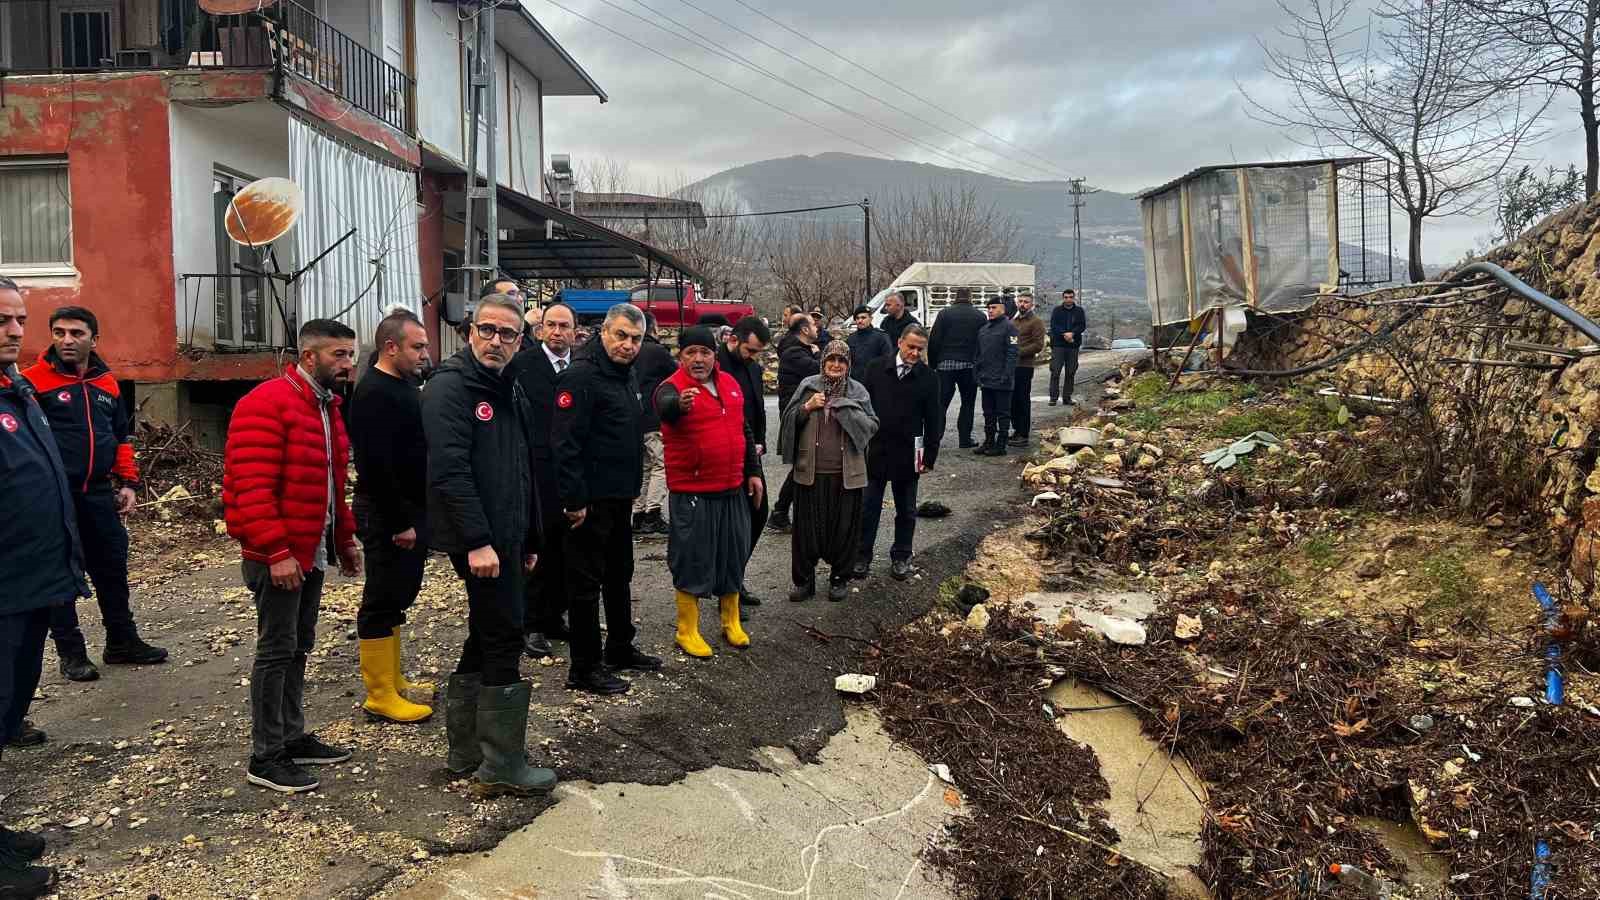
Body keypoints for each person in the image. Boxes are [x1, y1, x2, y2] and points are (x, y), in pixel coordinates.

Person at [423, 294, 556, 797]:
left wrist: (530, 537)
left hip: (508, 535)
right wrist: (477, 541)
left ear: (520, 341)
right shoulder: (450, 388)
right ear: (470, 331)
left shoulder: (507, 386)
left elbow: (522, 466)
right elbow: (450, 472)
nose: (495, 341)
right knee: (503, 634)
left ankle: (466, 752)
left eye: (507, 334)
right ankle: (502, 764)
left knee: (485, 633)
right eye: (487, 330)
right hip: (482, 540)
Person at [223, 318, 362, 794]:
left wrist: (344, 539)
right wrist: (275, 552)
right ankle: (266, 756)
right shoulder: (266, 403)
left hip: (310, 549)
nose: (348, 364)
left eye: (351, 354)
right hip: (278, 555)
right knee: (276, 649)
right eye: (338, 355)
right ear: (308, 356)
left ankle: (291, 735)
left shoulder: (325, 407)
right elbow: (251, 487)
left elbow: (331, 485)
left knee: (299, 644)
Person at [21, 307, 168, 684]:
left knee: (112, 566)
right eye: (59, 333)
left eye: (76, 333)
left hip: (99, 493)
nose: (67, 340)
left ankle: (121, 642)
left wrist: (128, 483)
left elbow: (120, 437)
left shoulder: (108, 384)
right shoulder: (32, 382)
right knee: (60, 573)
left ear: (94, 339)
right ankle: (71, 653)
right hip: (55, 497)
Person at [0, 277, 83, 897]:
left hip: (32, 585)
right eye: (2, 319)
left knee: (8, 711)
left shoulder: (16, 389)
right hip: (4, 588)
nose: (14, 330)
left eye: (18, 319)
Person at [552, 304, 662, 696]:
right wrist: (574, 500)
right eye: (621, 336)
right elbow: (565, 444)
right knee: (585, 584)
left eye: (635, 338)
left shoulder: (626, 373)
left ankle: (619, 647)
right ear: (604, 332)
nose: (628, 345)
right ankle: (584, 668)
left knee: (619, 575)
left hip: (619, 497)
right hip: (589, 502)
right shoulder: (581, 376)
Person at [653, 327, 764, 657]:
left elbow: (743, 430)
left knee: (732, 556)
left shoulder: (729, 383)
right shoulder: (671, 388)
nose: (698, 359)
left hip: (731, 488)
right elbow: (665, 407)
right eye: (691, 353)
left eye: (705, 352)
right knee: (692, 560)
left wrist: (753, 472)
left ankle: (731, 621)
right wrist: (680, 405)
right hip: (693, 493)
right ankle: (687, 630)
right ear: (681, 356)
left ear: (715, 355)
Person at [347, 311, 433, 724]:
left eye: (425, 346)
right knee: (382, 598)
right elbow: (376, 466)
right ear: (391, 347)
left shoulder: (403, 385)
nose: (424, 354)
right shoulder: (374, 393)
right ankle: (379, 694)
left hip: (408, 509)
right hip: (387, 513)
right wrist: (400, 522)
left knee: (399, 594)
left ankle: (393, 680)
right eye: (417, 347)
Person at [779, 341, 879, 602]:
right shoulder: (808, 386)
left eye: (841, 361)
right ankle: (804, 581)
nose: (836, 365)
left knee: (844, 530)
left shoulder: (858, 391)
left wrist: (847, 410)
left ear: (849, 365)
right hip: (810, 471)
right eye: (831, 360)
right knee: (805, 531)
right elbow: (788, 420)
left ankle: (839, 578)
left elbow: (872, 425)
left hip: (846, 475)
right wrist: (807, 407)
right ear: (822, 362)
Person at [510, 301, 576, 660]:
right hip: (536, 470)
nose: (557, 332)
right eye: (551, 325)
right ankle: (531, 623)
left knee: (567, 548)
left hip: (570, 470)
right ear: (540, 329)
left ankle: (554, 616)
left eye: (564, 326)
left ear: (575, 332)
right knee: (538, 546)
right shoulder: (523, 365)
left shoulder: (580, 368)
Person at [854, 324, 942, 581]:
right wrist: (858, 444)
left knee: (906, 509)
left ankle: (902, 555)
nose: (915, 353)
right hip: (876, 450)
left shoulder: (929, 378)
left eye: (920, 349)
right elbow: (861, 408)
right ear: (900, 342)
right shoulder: (876, 368)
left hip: (908, 452)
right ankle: (861, 556)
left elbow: (934, 420)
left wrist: (929, 456)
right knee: (868, 507)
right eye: (911, 347)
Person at [718, 317, 772, 606]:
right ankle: (727, 588)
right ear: (733, 339)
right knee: (731, 525)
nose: (753, 356)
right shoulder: (716, 367)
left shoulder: (752, 367)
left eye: (757, 352)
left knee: (758, 513)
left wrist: (760, 441)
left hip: (751, 455)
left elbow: (756, 408)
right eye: (750, 350)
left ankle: (735, 577)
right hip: (726, 456)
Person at [767, 313, 820, 533]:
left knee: (804, 462)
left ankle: (781, 512)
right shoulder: (794, 353)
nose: (817, 328)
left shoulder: (799, 350)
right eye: (813, 325)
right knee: (803, 463)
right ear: (805, 330)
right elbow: (819, 370)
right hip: (797, 414)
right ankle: (781, 512)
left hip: (802, 412)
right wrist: (818, 354)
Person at [632, 314, 676, 536]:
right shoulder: (658, 352)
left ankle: (638, 514)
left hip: (634, 418)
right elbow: (677, 374)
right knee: (661, 465)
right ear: (654, 328)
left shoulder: (633, 350)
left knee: (645, 467)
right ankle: (653, 513)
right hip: (653, 418)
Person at [927, 287, 985, 449]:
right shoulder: (980, 316)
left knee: (941, 403)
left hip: (945, 365)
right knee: (968, 403)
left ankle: (935, 438)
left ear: (955, 297)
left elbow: (934, 340)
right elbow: (983, 342)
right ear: (970, 298)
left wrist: (933, 364)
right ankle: (964, 439)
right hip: (969, 365)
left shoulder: (944, 314)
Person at [974, 297, 1020, 456]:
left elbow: (1013, 353)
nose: (990, 310)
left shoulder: (1010, 328)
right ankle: (989, 441)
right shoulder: (984, 329)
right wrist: (977, 373)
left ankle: (1001, 445)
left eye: (994, 307)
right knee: (988, 413)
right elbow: (979, 354)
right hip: (986, 379)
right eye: (989, 308)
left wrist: (1007, 375)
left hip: (1002, 380)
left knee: (1003, 414)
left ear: (1003, 309)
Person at [1008, 292, 1048, 447]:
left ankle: (1023, 433)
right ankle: (1016, 430)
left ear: (1031, 304)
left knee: (1022, 400)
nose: (1022, 304)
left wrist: (1018, 352)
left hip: (1024, 366)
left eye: (1026, 302)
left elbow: (1038, 345)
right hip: (1012, 366)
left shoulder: (1036, 322)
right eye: (1020, 301)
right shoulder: (1013, 321)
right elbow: (1011, 340)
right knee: (1012, 400)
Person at [1049, 289, 1087, 406]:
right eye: (1066, 297)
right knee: (1055, 371)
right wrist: (1064, 334)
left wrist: (1072, 333)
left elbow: (1082, 325)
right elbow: (1054, 325)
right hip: (1058, 345)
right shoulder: (1057, 310)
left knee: (1070, 372)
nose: (1068, 299)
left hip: (1073, 345)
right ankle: (1053, 398)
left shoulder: (1079, 311)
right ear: (1063, 298)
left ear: (1074, 298)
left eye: (1070, 297)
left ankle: (1067, 397)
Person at [845, 305, 892, 370]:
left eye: (863, 318)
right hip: (855, 375)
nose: (860, 321)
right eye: (857, 318)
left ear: (871, 319)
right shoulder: (851, 339)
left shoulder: (881, 337)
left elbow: (888, 360)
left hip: (875, 374)